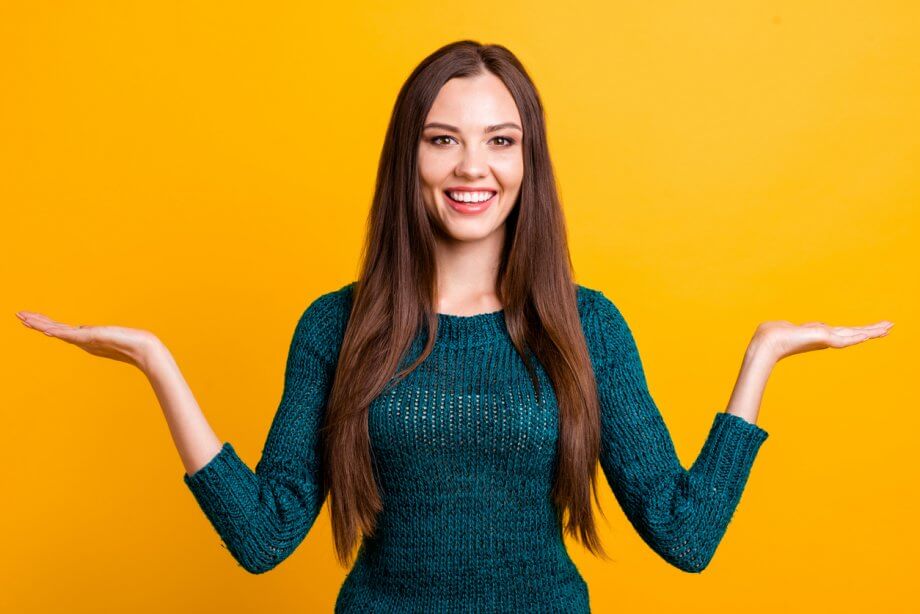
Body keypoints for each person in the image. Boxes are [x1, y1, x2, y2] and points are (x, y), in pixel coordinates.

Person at [15, 40, 892, 613]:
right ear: (412, 157)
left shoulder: (586, 326)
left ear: (528, 161)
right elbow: (262, 536)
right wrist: (158, 365)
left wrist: (762, 359)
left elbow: (685, 534)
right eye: (444, 140)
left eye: (500, 141)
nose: (473, 166)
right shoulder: (339, 325)